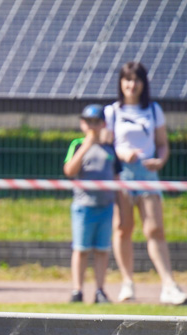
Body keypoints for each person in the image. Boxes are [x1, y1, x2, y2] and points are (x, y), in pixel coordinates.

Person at [103, 61, 186, 305]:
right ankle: (127, 283)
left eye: (136, 79)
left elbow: (162, 144)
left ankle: (168, 284)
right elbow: (107, 145)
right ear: (121, 83)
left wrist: (159, 161)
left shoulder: (153, 110)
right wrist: (121, 154)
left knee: (154, 229)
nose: (132, 84)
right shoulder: (113, 112)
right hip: (122, 176)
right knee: (122, 228)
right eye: (127, 79)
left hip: (148, 176)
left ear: (143, 83)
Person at [63, 104, 121, 304]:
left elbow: (116, 176)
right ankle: (77, 290)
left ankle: (100, 291)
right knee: (81, 249)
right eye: (89, 122)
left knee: (102, 250)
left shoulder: (109, 147)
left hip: (105, 206)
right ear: (83, 124)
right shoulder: (77, 144)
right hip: (84, 206)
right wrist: (87, 145)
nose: (93, 126)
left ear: (103, 123)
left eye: (96, 122)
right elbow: (69, 170)